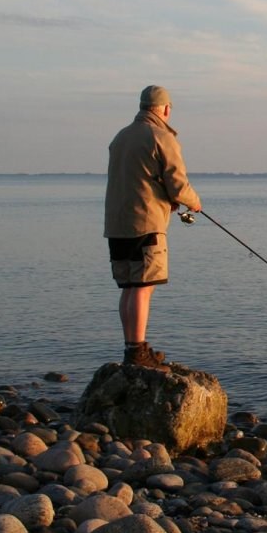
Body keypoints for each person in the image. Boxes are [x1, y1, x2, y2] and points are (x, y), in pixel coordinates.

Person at [104, 85, 202, 367]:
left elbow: (139, 179)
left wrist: (165, 198)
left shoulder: (121, 136)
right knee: (142, 287)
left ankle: (132, 347)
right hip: (146, 222)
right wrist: (193, 202)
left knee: (129, 285)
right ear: (166, 109)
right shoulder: (161, 136)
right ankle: (137, 352)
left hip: (117, 222)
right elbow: (177, 183)